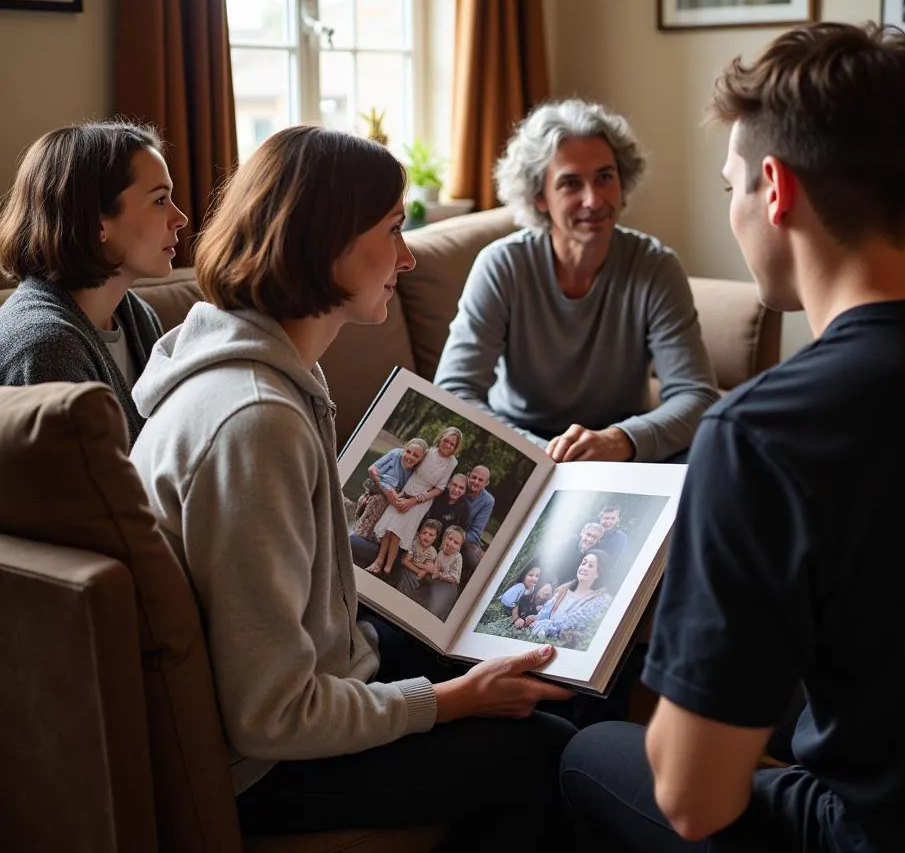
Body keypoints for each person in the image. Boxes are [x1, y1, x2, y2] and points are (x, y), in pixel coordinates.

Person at [559, 22, 905, 851]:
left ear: (774, 189)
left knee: (591, 751)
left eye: (731, 186)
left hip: (880, 833)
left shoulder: (759, 433)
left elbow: (693, 798)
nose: (733, 208)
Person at [127, 125, 575, 844]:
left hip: (329, 665)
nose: (406, 256)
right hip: (268, 767)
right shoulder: (254, 422)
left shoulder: (271, 369)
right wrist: (449, 702)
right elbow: (271, 713)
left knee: (550, 672)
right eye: (394, 229)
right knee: (549, 749)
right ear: (327, 237)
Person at [434, 99, 719, 464]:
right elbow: (454, 391)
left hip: (620, 455)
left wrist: (622, 439)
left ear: (622, 180)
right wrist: (542, 454)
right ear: (539, 197)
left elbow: (696, 396)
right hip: (522, 454)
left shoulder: (655, 267)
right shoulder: (502, 266)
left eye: (604, 177)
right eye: (571, 183)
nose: (593, 199)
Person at [0, 120, 187, 443]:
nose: (180, 218)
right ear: (97, 223)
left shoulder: (138, 318)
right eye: (159, 200)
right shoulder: (45, 350)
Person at [368, 425, 462, 575]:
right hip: (406, 489)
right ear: (441, 439)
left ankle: (388, 566)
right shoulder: (428, 453)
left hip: (422, 499)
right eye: (446, 441)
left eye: (452, 444)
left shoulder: (452, 463)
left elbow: (439, 489)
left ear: (456, 447)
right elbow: (409, 463)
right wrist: (394, 489)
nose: (448, 445)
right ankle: (379, 561)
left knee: (397, 532)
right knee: (388, 527)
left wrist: (413, 501)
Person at [530, 551, 613, 646]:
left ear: (598, 573)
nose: (584, 568)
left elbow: (571, 622)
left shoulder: (598, 600)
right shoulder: (562, 591)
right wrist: (535, 618)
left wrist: (545, 625)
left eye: (590, 566)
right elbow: (544, 614)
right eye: (583, 563)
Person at [350, 438, 428, 539]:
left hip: (394, 492)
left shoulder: (416, 471)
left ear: (421, 459)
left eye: (416, 456)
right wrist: (388, 491)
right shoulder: (396, 454)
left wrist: (396, 497)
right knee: (381, 498)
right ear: (404, 449)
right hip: (378, 484)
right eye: (408, 452)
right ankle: (361, 531)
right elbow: (372, 470)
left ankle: (371, 534)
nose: (410, 457)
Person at [459, 463, 495, 582]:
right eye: (474, 477)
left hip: (464, 539)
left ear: (486, 483)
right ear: (468, 475)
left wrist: (456, 538)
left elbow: (475, 533)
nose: (475, 482)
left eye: (480, 480)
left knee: (474, 561)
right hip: (443, 528)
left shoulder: (487, 501)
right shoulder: (459, 485)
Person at [551, 522, 605, 588]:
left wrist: (570, 584)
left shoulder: (596, 556)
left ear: (598, 540)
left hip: (573, 587)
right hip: (553, 580)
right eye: (588, 535)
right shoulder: (569, 542)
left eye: (594, 537)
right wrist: (550, 583)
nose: (590, 539)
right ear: (582, 532)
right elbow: (552, 562)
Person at [398, 519, 440, 583]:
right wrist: (419, 571)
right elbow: (405, 561)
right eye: (424, 533)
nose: (427, 536)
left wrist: (425, 571)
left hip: (421, 576)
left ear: (435, 538)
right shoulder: (414, 544)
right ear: (419, 534)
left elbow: (430, 567)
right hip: (409, 570)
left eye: (431, 535)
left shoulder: (433, 551)